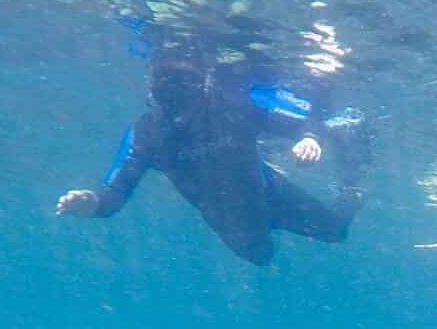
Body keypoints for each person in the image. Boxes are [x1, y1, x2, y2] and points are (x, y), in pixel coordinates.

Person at [56, 41, 368, 265]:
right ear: (153, 90)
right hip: (230, 216)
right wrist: (94, 202)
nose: (179, 103)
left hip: (268, 191)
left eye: (186, 88)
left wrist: (310, 137)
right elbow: (115, 193)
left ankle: (351, 191)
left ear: (204, 84)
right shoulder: (148, 133)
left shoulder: (233, 105)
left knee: (336, 231)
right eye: (168, 91)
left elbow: (304, 119)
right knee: (260, 256)